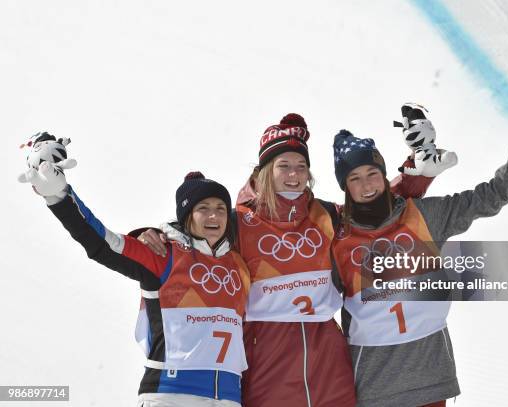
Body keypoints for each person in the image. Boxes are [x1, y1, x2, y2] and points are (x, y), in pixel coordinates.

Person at [139, 113, 434, 407]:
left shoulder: (327, 215)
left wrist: (417, 175)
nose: (293, 174)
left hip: (328, 360)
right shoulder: (238, 221)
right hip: (266, 361)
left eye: (301, 166)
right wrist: (150, 235)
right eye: (284, 166)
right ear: (266, 171)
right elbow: (193, 233)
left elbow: (375, 205)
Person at [329, 117, 508, 407]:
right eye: (355, 178)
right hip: (374, 389)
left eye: (372, 173)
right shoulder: (337, 239)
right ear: (345, 186)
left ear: (383, 174)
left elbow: (492, 196)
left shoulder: (424, 217)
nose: (367, 185)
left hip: (432, 380)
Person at [22, 162, 250, 407]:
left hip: (227, 397)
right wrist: (60, 197)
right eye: (202, 208)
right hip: (170, 395)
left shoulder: (238, 265)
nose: (213, 215)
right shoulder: (163, 254)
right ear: (187, 216)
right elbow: (103, 243)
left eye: (220, 208)